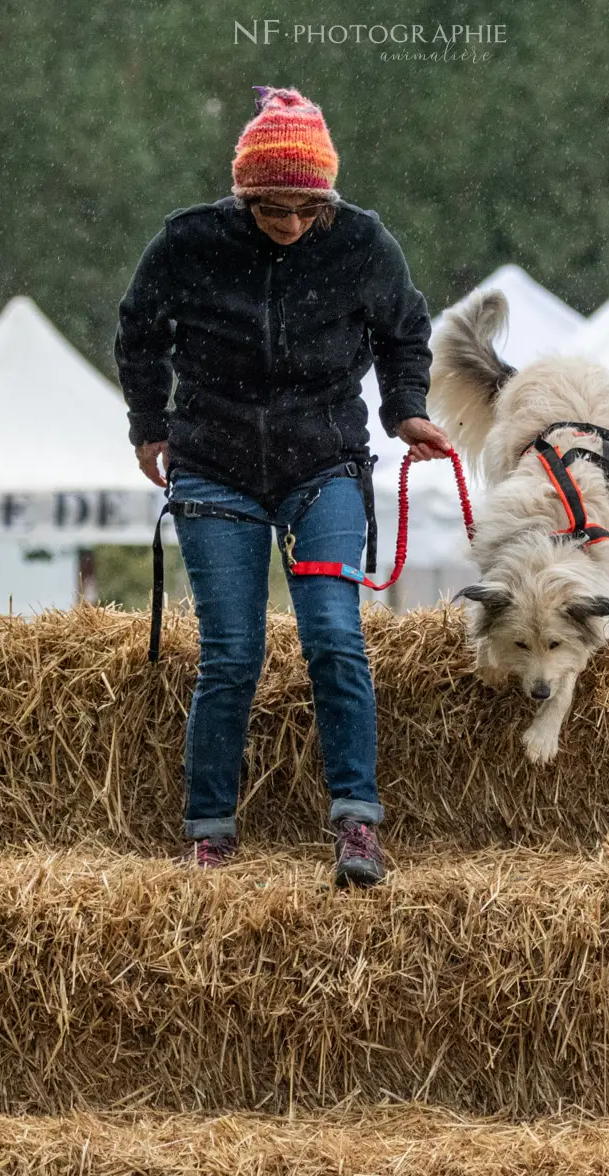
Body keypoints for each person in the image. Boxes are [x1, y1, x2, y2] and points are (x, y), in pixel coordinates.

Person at [114, 85, 452, 888]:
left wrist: (405, 412)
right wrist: (147, 425)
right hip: (215, 464)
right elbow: (138, 330)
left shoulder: (365, 243)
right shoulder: (188, 242)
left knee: (334, 637)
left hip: (324, 463)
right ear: (244, 193)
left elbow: (405, 331)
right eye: (273, 209)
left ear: (327, 199)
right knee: (232, 651)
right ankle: (209, 831)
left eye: (308, 209)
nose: (292, 223)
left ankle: (358, 823)